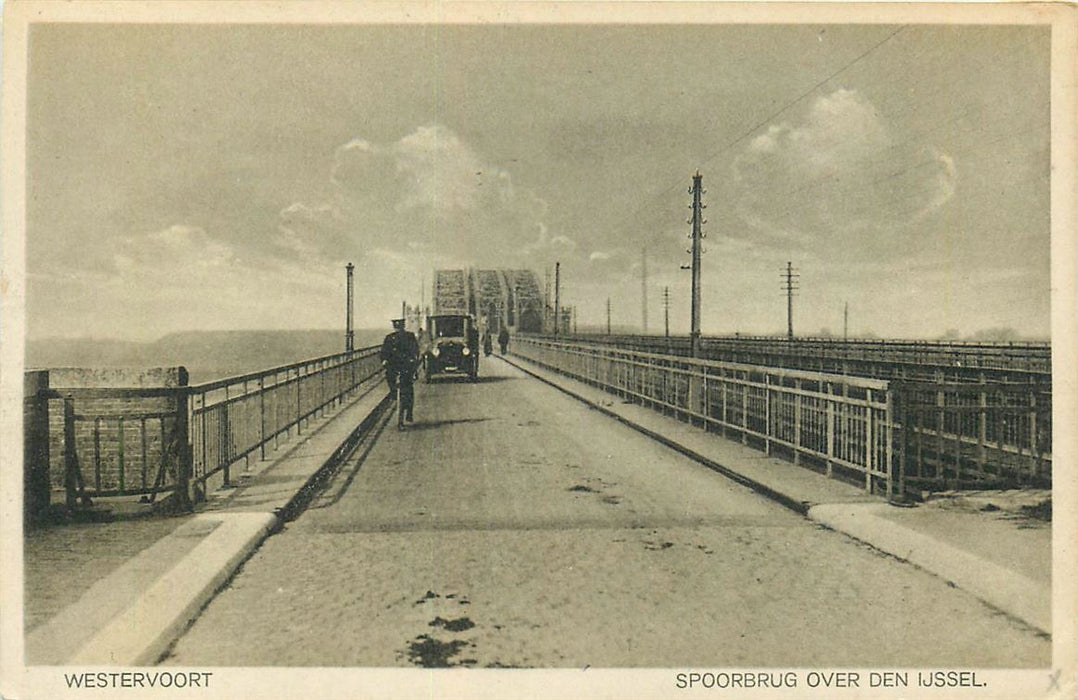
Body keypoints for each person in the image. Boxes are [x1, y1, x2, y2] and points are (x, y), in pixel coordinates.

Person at [380, 318, 420, 430]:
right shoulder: (389, 338)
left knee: (408, 390)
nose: (398, 329)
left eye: (399, 327)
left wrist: (414, 360)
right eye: (396, 327)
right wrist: (384, 360)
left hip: (406, 367)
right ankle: (393, 393)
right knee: (391, 382)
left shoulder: (409, 336)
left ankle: (408, 412)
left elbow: (415, 350)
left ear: (403, 327)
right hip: (393, 367)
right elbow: (384, 352)